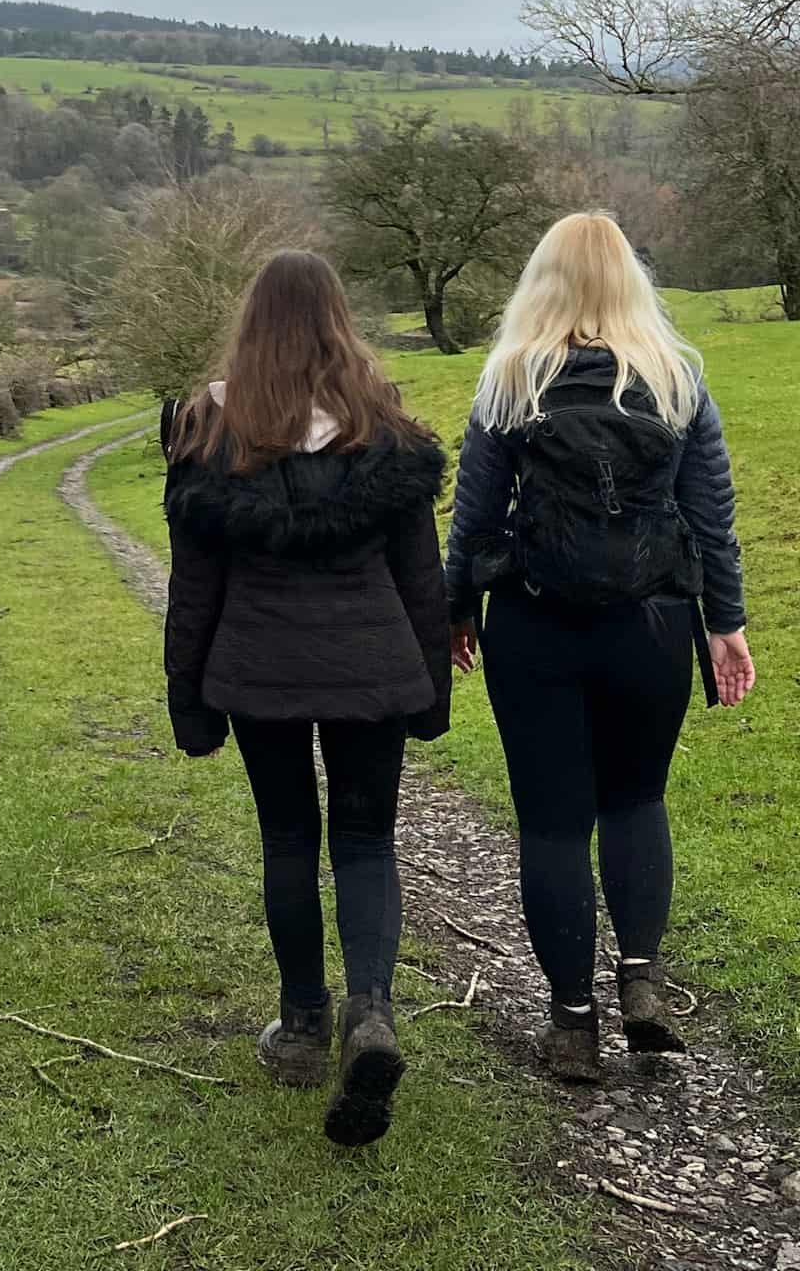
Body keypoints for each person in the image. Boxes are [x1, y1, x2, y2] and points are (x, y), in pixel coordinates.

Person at [446, 213, 756, 1083]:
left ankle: (572, 1025)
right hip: (652, 625)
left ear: (540, 282)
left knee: (551, 823)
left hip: (534, 627)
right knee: (635, 802)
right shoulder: (676, 377)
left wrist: (456, 609)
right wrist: (724, 626)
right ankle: (642, 983)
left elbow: (472, 518)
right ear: (631, 282)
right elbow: (711, 520)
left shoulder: (512, 379)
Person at [163, 249, 449, 1147]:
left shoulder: (211, 428)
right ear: (338, 320)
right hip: (372, 670)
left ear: (253, 324)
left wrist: (189, 695)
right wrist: (431, 687)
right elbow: (419, 576)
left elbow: (193, 586)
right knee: (366, 842)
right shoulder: (386, 424)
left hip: (261, 671)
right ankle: (371, 1012)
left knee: (288, 838)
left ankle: (300, 1028)